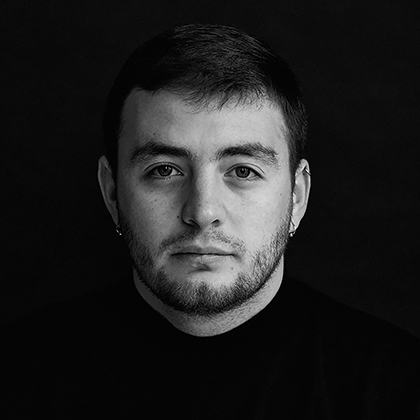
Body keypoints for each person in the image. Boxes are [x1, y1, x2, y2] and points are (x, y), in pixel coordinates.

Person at [2, 23, 420, 419]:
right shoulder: (19, 375)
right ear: (112, 192)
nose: (202, 213)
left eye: (243, 171)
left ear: (296, 196)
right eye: (165, 170)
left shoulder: (397, 387)